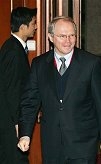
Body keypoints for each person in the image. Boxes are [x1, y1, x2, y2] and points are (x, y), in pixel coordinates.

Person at [17, 16, 101, 164]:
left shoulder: (91, 64)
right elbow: (30, 102)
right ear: (50, 37)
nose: (68, 41)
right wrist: (25, 134)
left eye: (71, 35)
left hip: (83, 143)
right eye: (62, 36)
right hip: (52, 144)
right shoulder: (39, 65)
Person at [0, 7, 37, 164]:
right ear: (23, 27)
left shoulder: (13, 46)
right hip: (10, 122)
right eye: (33, 23)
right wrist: (17, 123)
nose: (35, 26)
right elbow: (12, 89)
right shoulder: (13, 51)